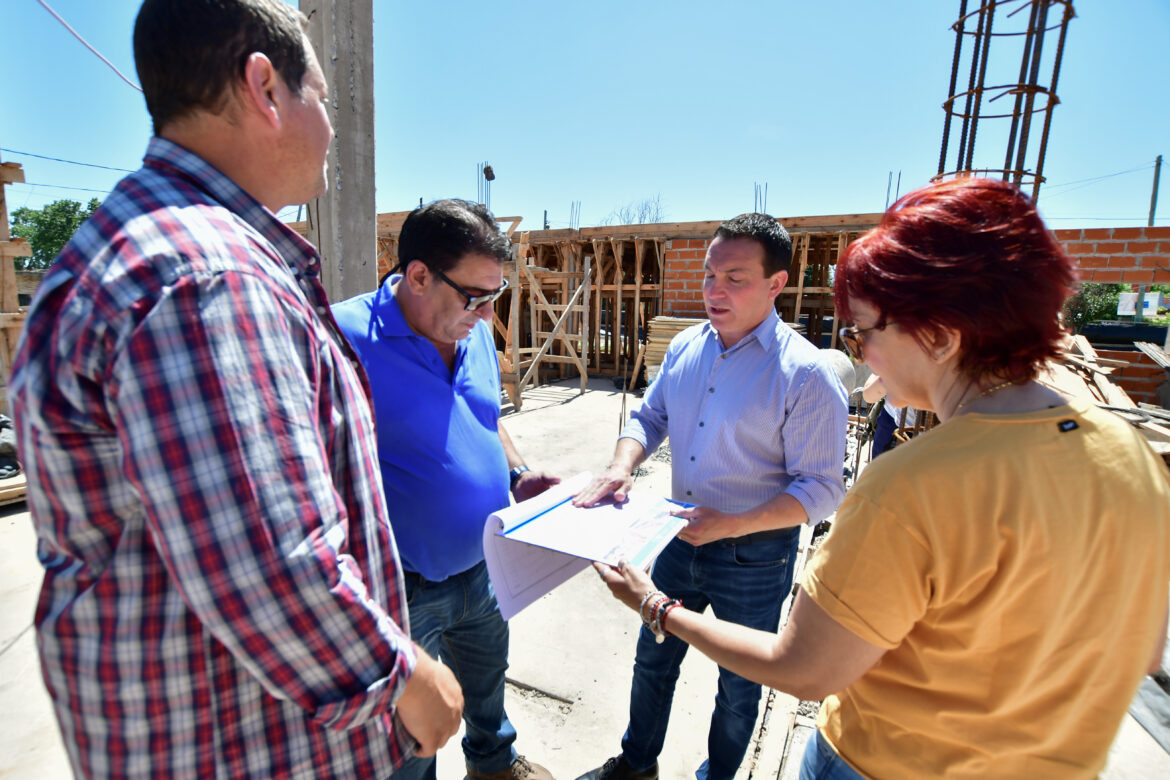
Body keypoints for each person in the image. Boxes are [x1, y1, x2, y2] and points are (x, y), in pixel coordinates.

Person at [9, 2, 463, 778]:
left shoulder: (145, 241)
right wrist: (408, 680)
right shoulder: (208, 276)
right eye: (319, 94)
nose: (328, 124)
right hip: (242, 744)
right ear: (265, 88)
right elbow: (273, 565)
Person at [593, 178, 1170, 779]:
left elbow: (807, 667)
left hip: (878, 755)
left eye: (864, 332)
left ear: (941, 337)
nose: (862, 355)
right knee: (654, 666)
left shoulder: (909, 483)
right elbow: (1138, 653)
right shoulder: (1133, 458)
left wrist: (655, 606)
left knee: (739, 692)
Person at [573, 213, 848, 780]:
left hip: (754, 558)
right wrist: (622, 465)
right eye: (708, 274)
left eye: (735, 278)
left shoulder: (805, 375)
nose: (713, 290)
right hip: (676, 538)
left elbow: (821, 488)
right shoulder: (684, 348)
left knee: (740, 685)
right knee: (653, 658)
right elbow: (651, 417)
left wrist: (733, 523)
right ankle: (636, 764)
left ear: (777, 284)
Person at [332, 199, 558, 780]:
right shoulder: (342, 336)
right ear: (418, 275)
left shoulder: (472, 332)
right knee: (413, 735)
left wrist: (516, 473)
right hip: (401, 587)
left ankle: (494, 765)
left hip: (483, 566)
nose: (486, 316)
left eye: (495, 297)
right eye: (475, 297)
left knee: (487, 691)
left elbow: (485, 415)